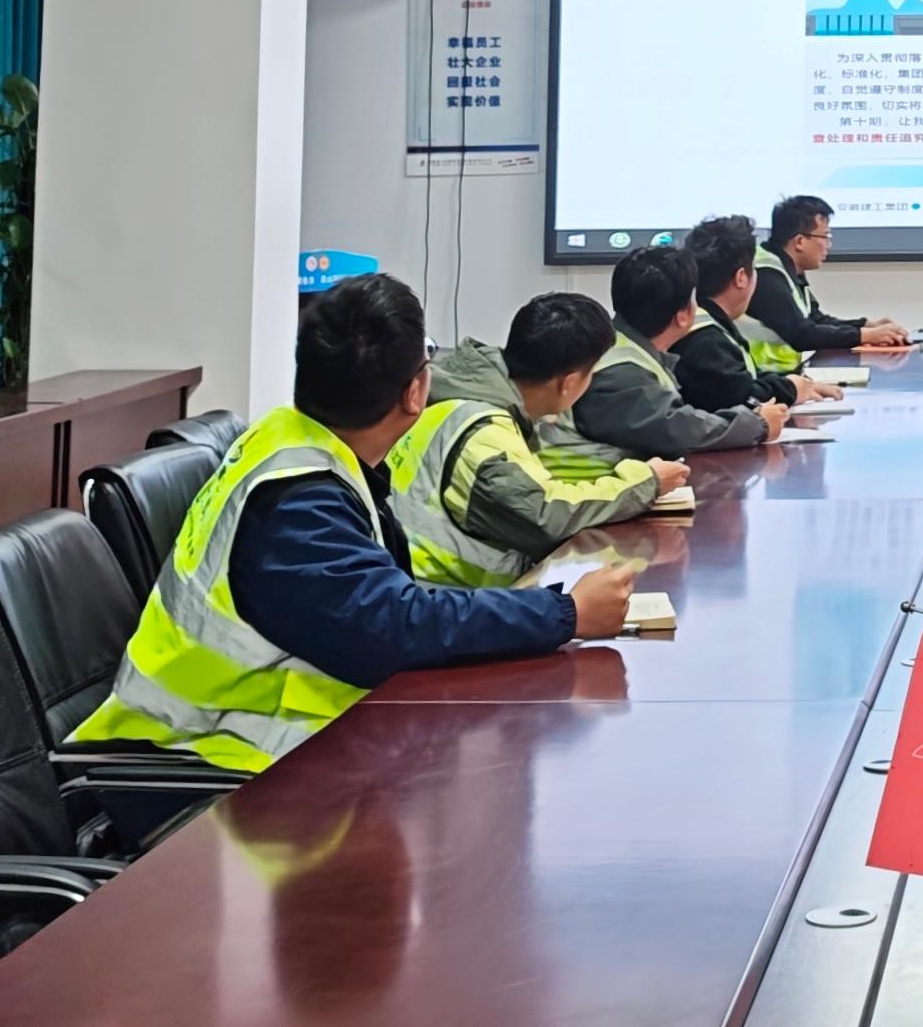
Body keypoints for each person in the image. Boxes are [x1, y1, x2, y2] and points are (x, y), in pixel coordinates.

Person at [71, 273, 632, 773]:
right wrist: (565, 613)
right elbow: (392, 625)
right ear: (416, 391)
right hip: (205, 761)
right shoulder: (298, 502)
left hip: (274, 747)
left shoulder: (292, 440)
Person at [384, 292, 689, 587]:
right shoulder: (484, 434)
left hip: (434, 594)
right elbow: (546, 516)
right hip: (445, 602)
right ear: (569, 383)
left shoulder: (463, 394)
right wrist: (646, 482)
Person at [575, 245, 783, 458]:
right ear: (682, 316)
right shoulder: (621, 372)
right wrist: (758, 424)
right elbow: (677, 429)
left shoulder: (624, 346)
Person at [674, 214, 826, 413]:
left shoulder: (704, 321)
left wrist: (798, 384)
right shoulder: (706, 339)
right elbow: (740, 397)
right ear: (741, 277)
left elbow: (741, 380)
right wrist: (790, 389)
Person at [751, 195, 909, 358]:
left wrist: (867, 326)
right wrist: (865, 335)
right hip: (760, 373)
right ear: (800, 241)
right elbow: (802, 335)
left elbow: (816, 320)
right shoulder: (766, 275)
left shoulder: (785, 269)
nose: (829, 245)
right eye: (825, 237)